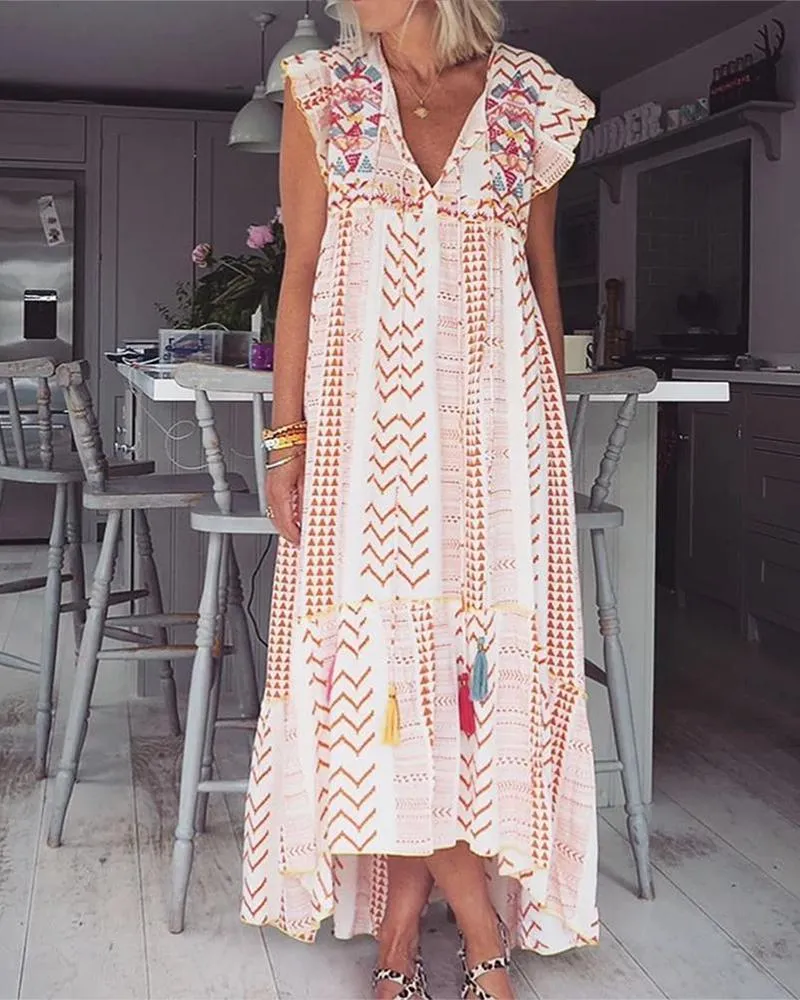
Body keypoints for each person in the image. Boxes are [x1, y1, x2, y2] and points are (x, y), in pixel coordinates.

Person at [242, 2, 598, 997]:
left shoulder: (531, 98)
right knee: (386, 672)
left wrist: (546, 441)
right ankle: (476, 921)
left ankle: (401, 927)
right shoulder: (323, 92)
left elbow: (541, 281)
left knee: (467, 676)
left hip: (499, 436)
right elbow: (300, 275)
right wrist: (284, 441)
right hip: (364, 434)